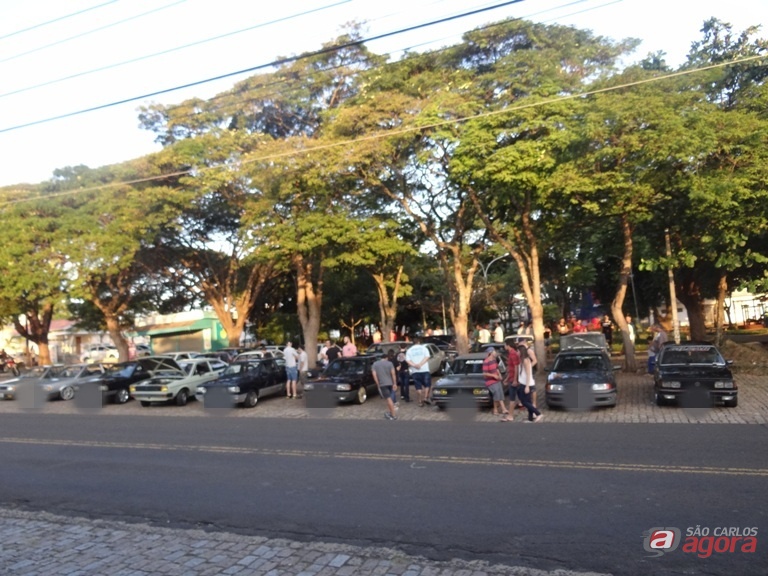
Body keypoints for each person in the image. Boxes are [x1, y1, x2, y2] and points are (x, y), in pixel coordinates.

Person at [517, 343, 543, 423]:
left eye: (518, 351)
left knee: (524, 402)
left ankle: (538, 413)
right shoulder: (522, 360)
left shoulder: (525, 360)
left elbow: (528, 373)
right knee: (528, 401)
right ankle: (530, 418)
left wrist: (527, 386)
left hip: (526, 384)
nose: (517, 352)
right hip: (523, 382)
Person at [405, 336, 432, 406]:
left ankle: (420, 401)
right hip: (424, 369)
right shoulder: (424, 348)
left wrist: (414, 365)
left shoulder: (409, 350)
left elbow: (407, 360)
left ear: (413, 343)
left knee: (418, 386)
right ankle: (426, 397)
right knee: (427, 384)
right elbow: (427, 357)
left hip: (415, 371)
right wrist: (420, 364)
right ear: (419, 342)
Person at [483, 347, 508, 418]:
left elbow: (497, 368)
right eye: (494, 351)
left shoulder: (494, 360)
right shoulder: (486, 362)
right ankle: (496, 409)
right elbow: (484, 374)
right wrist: (493, 375)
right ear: (490, 353)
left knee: (500, 393)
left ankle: (503, 409)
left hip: (497, 379)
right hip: (490, 381)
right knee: (496, 393)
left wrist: (499, 375)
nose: (495, 352)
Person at [372, 352, 398, 420]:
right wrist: (394, 383)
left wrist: (378, 384)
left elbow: (374, 375)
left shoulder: (375, 364)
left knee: (388, 399)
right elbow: (393, 374)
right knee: (390, 399)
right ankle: (391, 412)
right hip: (390, 383)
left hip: (383, 384)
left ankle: (393, 415)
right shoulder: (390, 363)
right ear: (386, 358)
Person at [503, 340, 521, 415]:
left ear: (508, 346)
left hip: (513, 379)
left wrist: (514, 380)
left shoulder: (513, 354)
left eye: (505, 345)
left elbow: (516, 367)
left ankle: (511, 415)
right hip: (511, 378)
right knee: (519, 396)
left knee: (512, 398)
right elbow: (511, 369)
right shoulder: (511, 353)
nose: (504, 347)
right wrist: (507, 379)